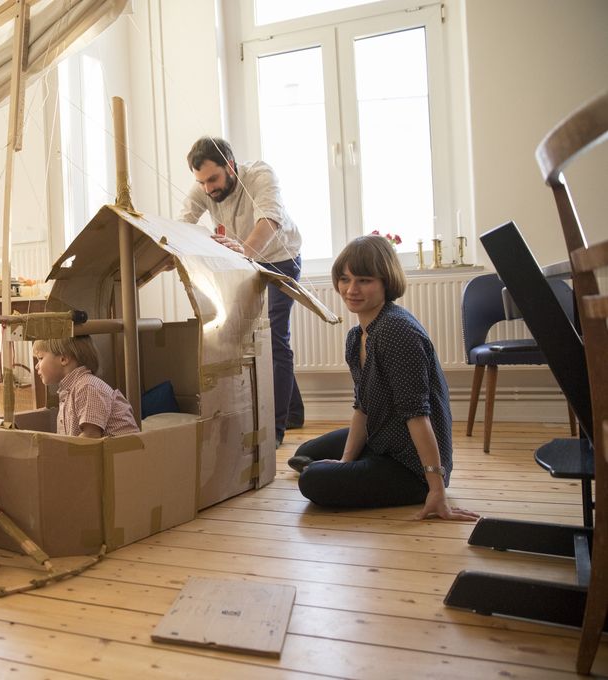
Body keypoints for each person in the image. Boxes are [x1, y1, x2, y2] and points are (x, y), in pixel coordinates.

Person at [288, 235, 478, 520]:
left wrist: (436, 490)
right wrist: (346, 462)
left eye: (364, 280)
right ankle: (361, 464)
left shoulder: (396, 331)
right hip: (383, 436)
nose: (351, 289)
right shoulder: (357, 336)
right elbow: (362, 405)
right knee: (307, 451)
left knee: (311, 479)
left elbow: (417, 415)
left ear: (385, 282)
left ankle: (408, 479)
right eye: (344, 278)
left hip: (410, 465)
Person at [178, 136, 304, 446]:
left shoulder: (261, 175)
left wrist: (243, 255)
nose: (208, 188)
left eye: (213, 179)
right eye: (202, 182)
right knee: (249, 334)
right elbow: (184, 222)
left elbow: (269, 221)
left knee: (275, 336)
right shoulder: (204, 186)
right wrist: (172, 251)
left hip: (280, 259)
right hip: (244, 260)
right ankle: (295, 411)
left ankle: (274, 431)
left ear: (230, 166)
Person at [32, 336, 140, 437]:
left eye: (40, 358)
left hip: (122, 455)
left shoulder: (87, 386)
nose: (36, 366)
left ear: (63, 359)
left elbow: (91, 436)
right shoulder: (69, 390)